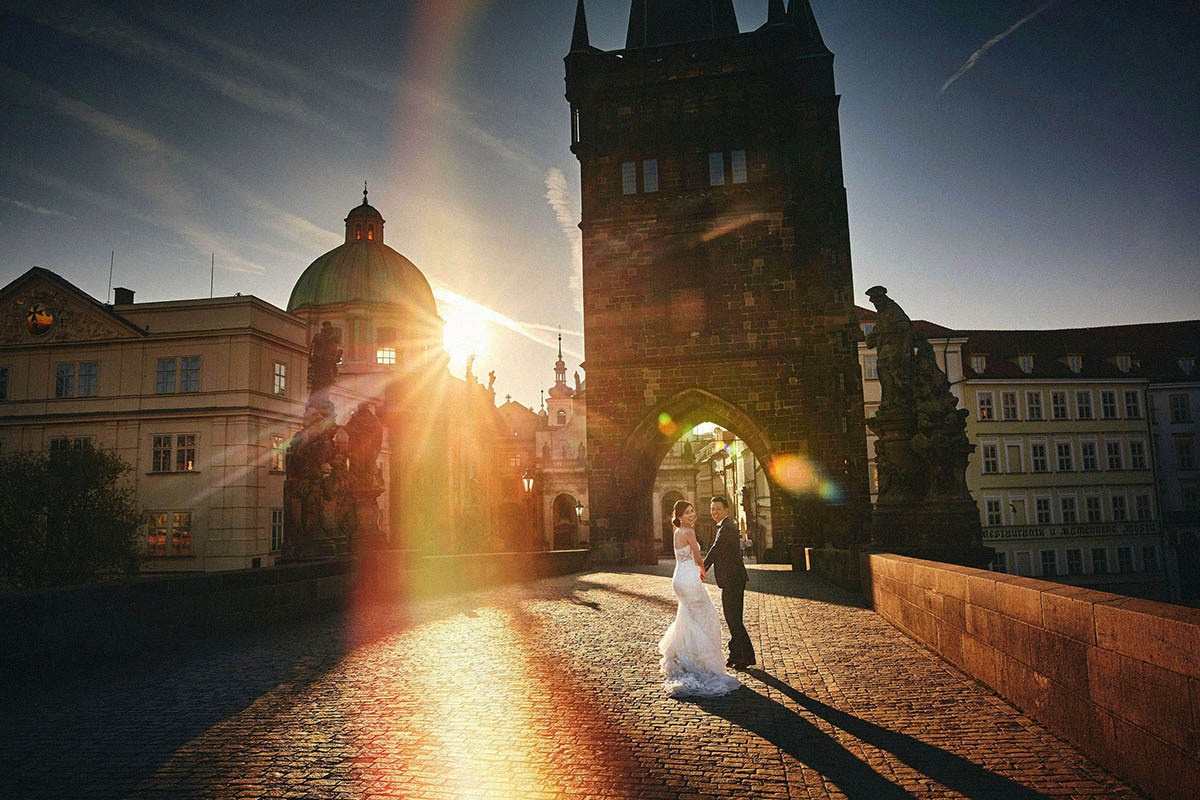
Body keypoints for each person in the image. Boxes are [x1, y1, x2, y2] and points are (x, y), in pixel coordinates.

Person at [658, 500, 740, 697]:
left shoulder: (676, 532)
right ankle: (701, 662)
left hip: (678, 578)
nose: (692, 515)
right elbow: (697, 557)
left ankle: (686, 657)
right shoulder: (688, 532)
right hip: (690, 579)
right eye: (687, 513)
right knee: (706, 618)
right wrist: (702, 572)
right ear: (679, 516)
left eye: (692, 511)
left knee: (687, 618)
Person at [704, 495, 756, 669]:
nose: (715, 512)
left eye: (718, 509)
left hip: (733, 579)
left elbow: (716, 549)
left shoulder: (727, 527)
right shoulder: (726, 526)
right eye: (712, 509)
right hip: (733, 579)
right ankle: (735, 654)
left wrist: (702, 568)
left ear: (726, 510)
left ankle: (747, 656)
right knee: (733, 618)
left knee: (733, 618)